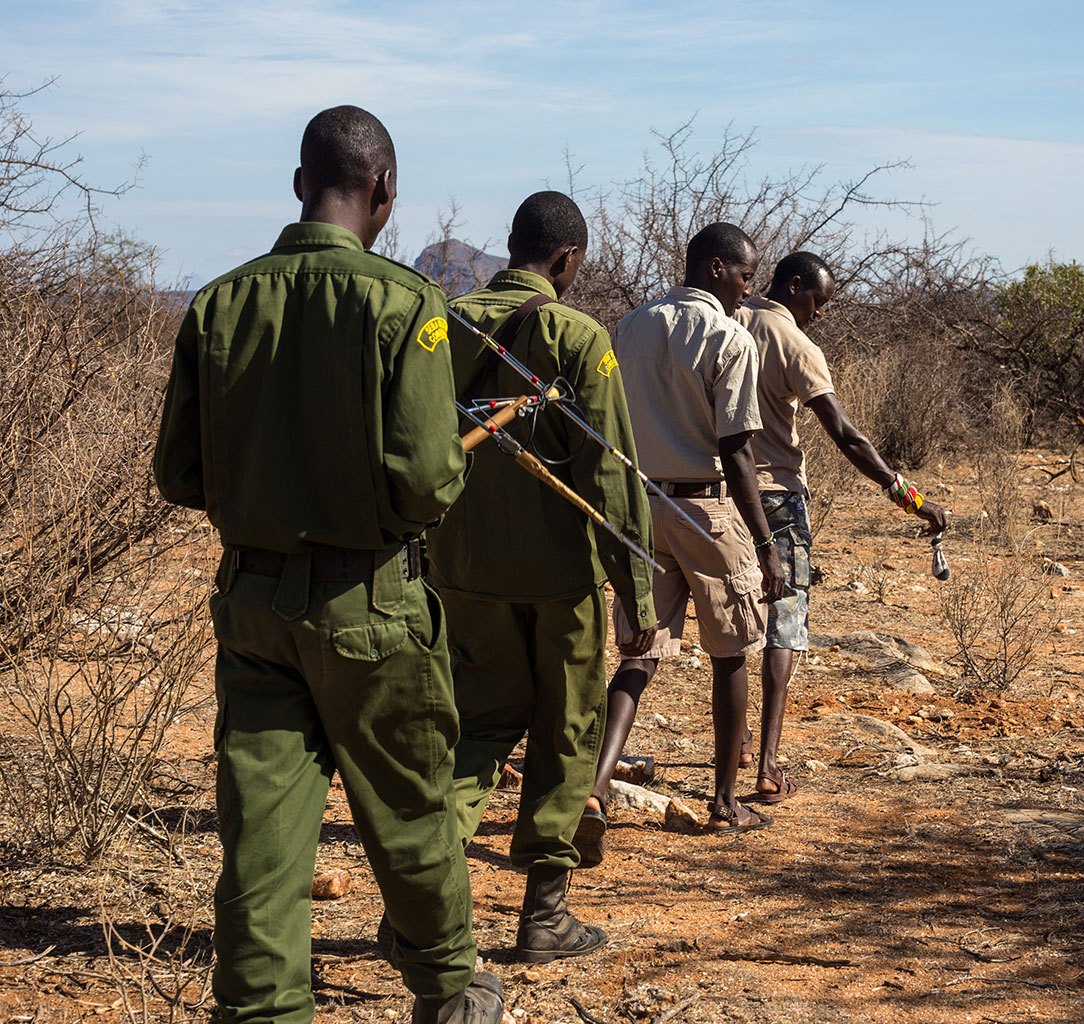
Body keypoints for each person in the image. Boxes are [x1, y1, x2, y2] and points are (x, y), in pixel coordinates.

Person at [152, 106, 502, 1024]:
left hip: (255, 605)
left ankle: (262, 1008)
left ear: (299, 182)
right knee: (411, 810)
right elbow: (428, 482)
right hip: (373, 606)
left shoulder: (219, 301)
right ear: (384, 191)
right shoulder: (404, 305)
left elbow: (179, 474)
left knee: (261, 838)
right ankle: (450, 990)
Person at [427, 190, 657, 962]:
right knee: (564, 730)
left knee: (480, 727)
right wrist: (636, 592)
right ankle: (543, 916)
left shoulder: (441, 327)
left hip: (459, 570)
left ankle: (423, 903)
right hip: (559, 578)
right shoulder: (575, 334)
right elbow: (614, 473)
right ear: (568, 260)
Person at [589, 222, 785, 835]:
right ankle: (725, 802)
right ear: (716, 269)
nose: (748, 291)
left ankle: (595, 789)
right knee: (732, 651)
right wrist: (765, 542)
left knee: (640, 652)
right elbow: (737, 450)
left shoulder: (630, 325)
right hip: (705, 509)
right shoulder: (729, 338)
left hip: (640, 504)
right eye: (745, 276)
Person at [735, 252, 949, 802]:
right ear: (795, 286)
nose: (820, 314)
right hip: (778, 498)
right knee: (786, 621)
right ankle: (767, 763)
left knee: (732, 618)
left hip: (722, 495)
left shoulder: (729, 321)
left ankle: (734, 742)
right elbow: (846, 435)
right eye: (818, 302)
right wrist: (909, 497)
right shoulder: (795, 345)